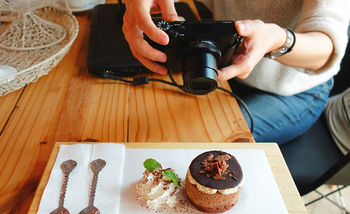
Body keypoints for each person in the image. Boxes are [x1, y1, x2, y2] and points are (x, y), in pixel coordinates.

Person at [122, 0, 350, 144]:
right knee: (146, 131)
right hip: (226, 74)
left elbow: (325, 48)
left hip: (292, 92)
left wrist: (277, 40)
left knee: (196, 143)